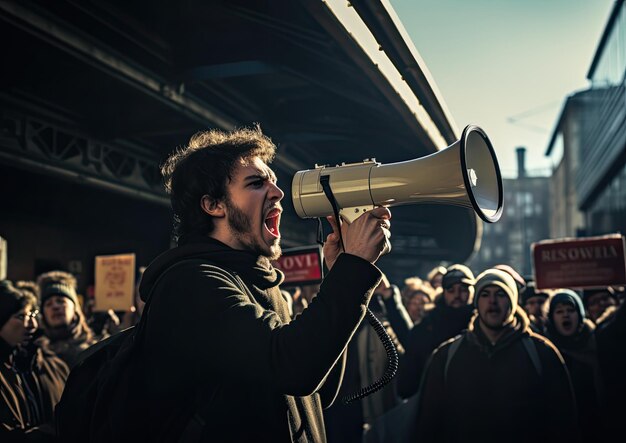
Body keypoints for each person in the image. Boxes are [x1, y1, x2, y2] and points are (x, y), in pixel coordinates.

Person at [98, 125, 392, 442]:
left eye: (274, 182)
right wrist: (354, 269)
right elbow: (293, 368)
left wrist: (339, 275)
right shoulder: (190, 284)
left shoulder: (265, 285)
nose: (278, 193)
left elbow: (317, 390)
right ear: (213, 205)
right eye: (256, 183)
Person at [415, 269, 580, 443]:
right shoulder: (447, 355)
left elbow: (565, 423)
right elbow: (428, 425)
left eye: (500, 294)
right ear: (477, 302)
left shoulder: (542, 353)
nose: (492, 301)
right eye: (485, 295)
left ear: (513, 301)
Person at [324, 274, 412, 442]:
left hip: (374, 409)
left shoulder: (381, 325)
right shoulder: (336, 320)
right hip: (341, 409)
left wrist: (389, 296)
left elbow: (410, 342)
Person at [0, 280, 69, 440]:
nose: (32, 324)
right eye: (21, 316)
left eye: (33, 315)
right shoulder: (10, 367)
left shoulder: (53, 365)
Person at [397, 263, 475, 399]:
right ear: (443, 292)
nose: (457, 295)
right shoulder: (425, 328)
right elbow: (409, 379)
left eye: (463, 289)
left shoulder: (483, 325)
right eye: (451, 290)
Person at [544, 289, 607, 442]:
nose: (565, 315)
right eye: (559, 311)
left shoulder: (598, 344)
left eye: (570, 310)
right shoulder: (545, 350)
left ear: (579, 315)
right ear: (552, 318)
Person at [36, 271, 97, 368]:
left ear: (75, 308)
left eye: (60, 301)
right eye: (48, 304)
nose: (55, 307)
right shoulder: (36, 356)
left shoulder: (95, 350)